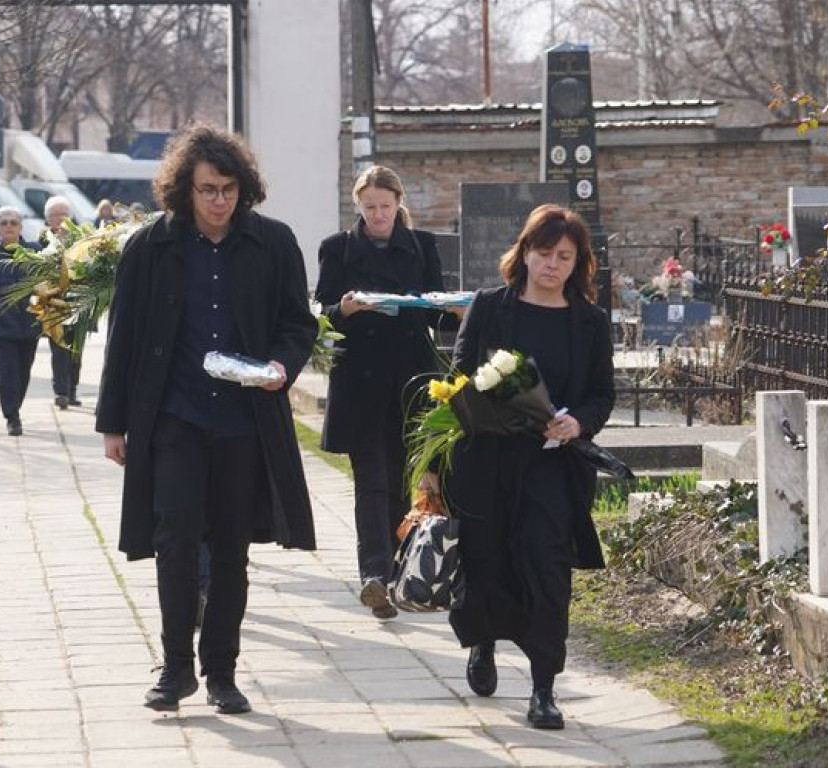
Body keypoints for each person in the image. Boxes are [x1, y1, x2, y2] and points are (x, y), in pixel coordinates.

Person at [96, 124, 318, 715]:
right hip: (174, 417)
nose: (220, 201)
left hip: (245, 420)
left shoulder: (274, 244)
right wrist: (113, 423)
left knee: (229, 548)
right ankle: (175, 669)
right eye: (207, 190)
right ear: (183, 191)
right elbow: (124, 339)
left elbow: (300, 324)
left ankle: (221, 671)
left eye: (229, 189)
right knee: (172, 538)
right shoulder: (150, 247)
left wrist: (281, 364)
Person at [443, 204, 614, 730]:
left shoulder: (589, 321)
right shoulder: (492, 307)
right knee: (489, 559)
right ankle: (485, 643)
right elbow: (459, 376)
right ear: (524, 253)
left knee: (547, 568)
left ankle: (543, 687)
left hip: (552, 467)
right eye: (544, 253)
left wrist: (577, 424)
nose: (553, 265)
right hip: (489, 460)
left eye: (565, 256)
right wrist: (490, 405)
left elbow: (602, 395)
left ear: (578, 262)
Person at [314, 165, 457, 620]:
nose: (378, 215)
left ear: (399, 204)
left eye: (385, 206)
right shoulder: (336, 249)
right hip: (360, 380)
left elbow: (434, 310)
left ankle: (396, 576)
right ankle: (374, 574)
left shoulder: (422, 246)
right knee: (370, 479)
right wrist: (346, 309)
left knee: (401, 479)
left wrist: (451, 310)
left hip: (411, 379)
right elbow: (321, 314)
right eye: (370, 207)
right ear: (358, 205)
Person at [0, 207, 40, 436]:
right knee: (8, 372)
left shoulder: (34, 251)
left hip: (30, 323)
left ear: (21, 227)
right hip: (2, 326)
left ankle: (16, 407)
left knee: (24, 372)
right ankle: (12, 416)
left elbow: (47, 282)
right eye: (4, 223)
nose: (9, 226)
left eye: (13, 222)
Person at [42, 195, 83, 409]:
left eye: (63, 215)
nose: (59, 220)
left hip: (79, 302)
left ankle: (73, 389)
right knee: (59, 350)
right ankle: (61, 392)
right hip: (53, 304)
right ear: (47, 219)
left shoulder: (82, 240)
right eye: (54, 216)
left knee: (76, 350)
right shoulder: (41, 241)